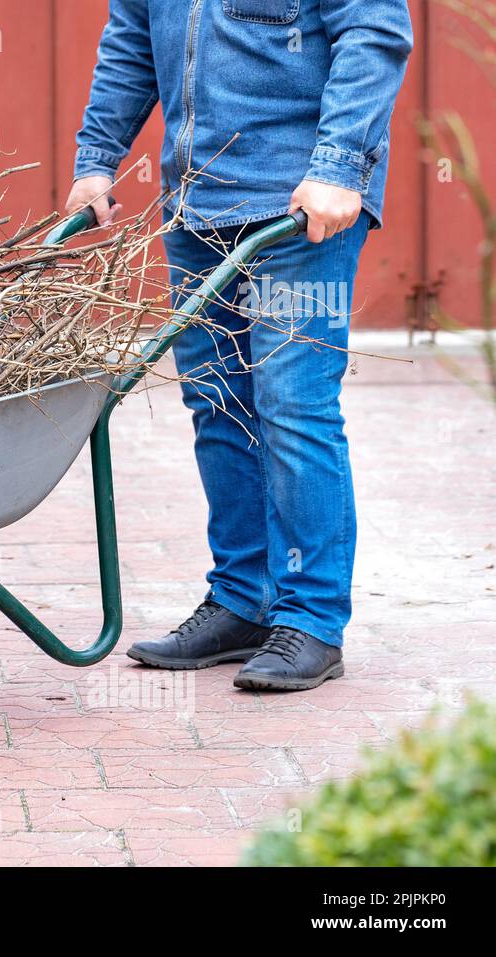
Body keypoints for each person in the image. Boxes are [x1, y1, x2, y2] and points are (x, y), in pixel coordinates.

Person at [66, 0, 413, 690]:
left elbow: (374, 34)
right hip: (198, 205)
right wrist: (98, 158)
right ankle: (242, 599)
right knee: (217, 403)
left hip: (300, 208)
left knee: (293, 403)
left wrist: (342, 166)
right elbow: (133, 39)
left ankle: (312, 618)